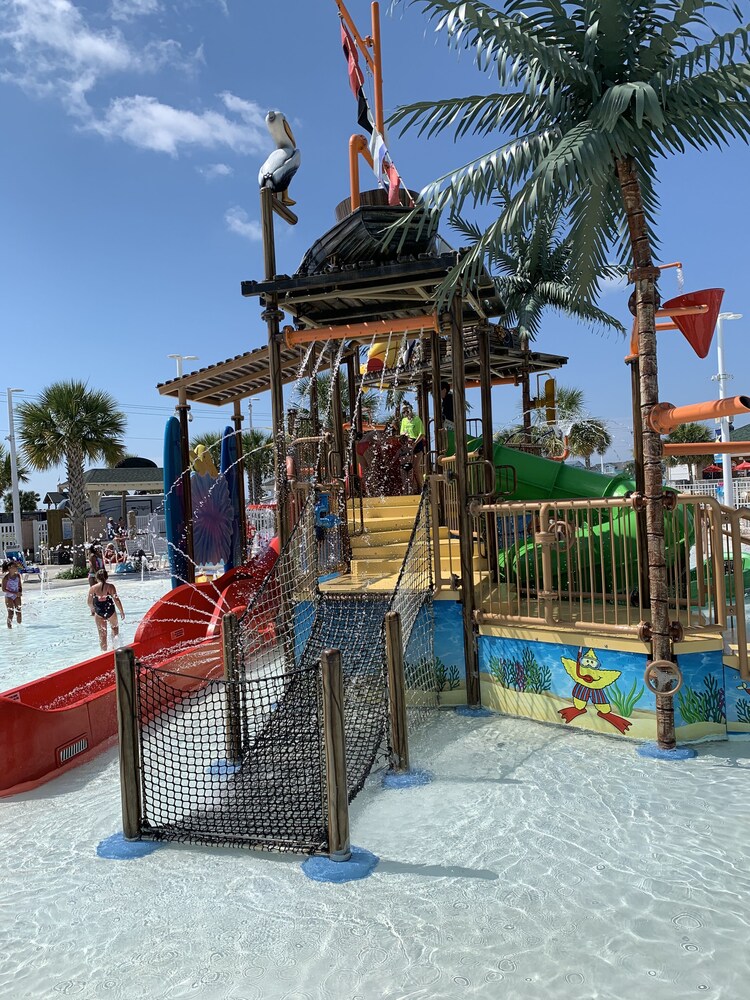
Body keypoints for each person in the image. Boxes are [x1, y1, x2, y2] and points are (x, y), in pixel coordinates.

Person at [87, 569, 125, 651]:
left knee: (102, 634)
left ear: (96, 578)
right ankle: (115, 650)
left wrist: (93, 610)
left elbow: (89, 602)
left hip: (99, 612)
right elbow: (116, 599)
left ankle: (103, 653)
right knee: (115, 630)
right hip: (110, 610)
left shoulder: (93, 588)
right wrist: (121, 611)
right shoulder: (110, 587)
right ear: (107, 577)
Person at [399, 401, 426, 492]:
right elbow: (402, 432)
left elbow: (421, 434)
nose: (405, 413)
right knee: (407, 467)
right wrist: (406, 438)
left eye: (407, 411)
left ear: (410, 410)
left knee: (416, 466)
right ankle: (411, 488)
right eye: (403, 412)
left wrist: (415, 443)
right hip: (408, 444)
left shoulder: (417, 419)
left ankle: (421, 487)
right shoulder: (404, 421)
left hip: (417, 443)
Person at [2, 560, 22, 629]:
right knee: (11, 613)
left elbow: (19, 586)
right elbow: (3, 589)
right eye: (15, 566)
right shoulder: (6, 578)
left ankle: (20, 628)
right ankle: (9, 629)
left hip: (17, 596)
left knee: (19, 612)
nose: (17, 567)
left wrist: (20, 592)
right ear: (10, 568)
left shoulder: (18, 576)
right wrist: (14, 593)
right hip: (9, 596)